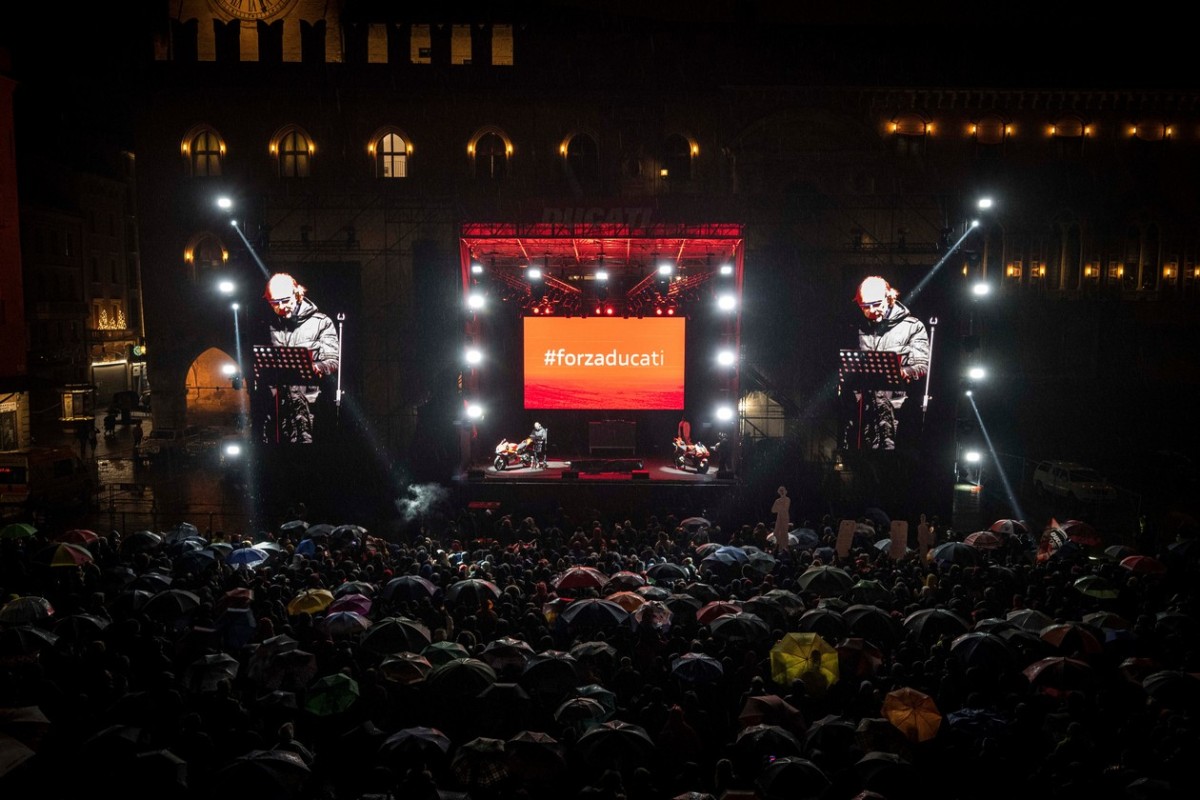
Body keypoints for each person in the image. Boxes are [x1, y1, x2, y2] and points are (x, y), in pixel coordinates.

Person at [843, 275, 929, 450]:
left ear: (889, 297)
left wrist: (902, 372)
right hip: (862, 410)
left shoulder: (913, 326)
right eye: (865, 306)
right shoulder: (855, 328)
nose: (872, 310)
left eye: (877, 304)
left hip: (897, 409)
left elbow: (922, 365)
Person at [258, 272, 340, 444]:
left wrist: (317, 367)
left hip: (310, 406)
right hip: (276, 408)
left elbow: (333, 360)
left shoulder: (321, 322)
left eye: (285, 300)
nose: (281, 307)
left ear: (297, 294)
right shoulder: (266, 324)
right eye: (274, 303)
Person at [771, 485, 791, 553]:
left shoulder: (787, 499)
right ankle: (777, 547)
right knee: (776, 533)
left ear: (785, 492)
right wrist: (779, 507)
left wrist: (779, 507)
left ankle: (784, 548)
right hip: (779, 519)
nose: (782, 492)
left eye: (783, 491)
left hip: (785, 518)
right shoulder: (777, 501)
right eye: (780, 491)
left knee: (784, 533)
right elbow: (773, 510)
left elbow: (785, 508)